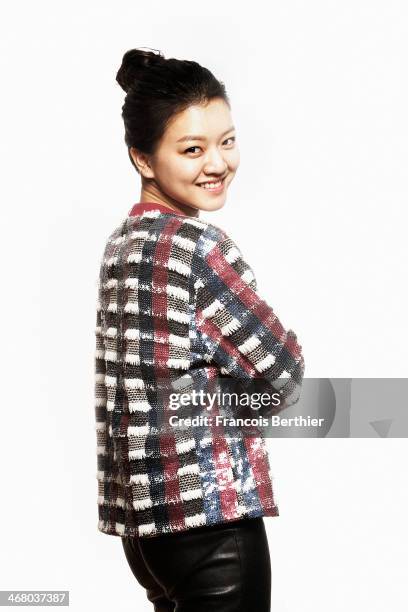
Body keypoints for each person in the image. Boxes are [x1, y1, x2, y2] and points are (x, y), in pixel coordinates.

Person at [94, 47, 305, 612]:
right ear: (143, 158)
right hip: (213, 524)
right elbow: (285, 373)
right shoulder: (197, 249)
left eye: (227, 140)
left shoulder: (122, 247)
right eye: (192, 149)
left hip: (146, 532)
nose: (217, 163)